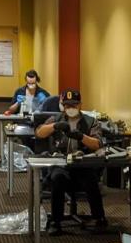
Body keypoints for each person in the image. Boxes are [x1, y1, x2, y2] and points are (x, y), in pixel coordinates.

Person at [34, 89, 107, 233]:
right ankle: (56, 221)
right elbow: (39, 132)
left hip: (82, 163)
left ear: (80, 105)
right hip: (61, 163)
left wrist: (81, 137)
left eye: (74, 105)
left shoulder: (90, 121)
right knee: (57, 178)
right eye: (67, 106)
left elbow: (97, 144)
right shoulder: (57, 119)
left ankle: (99, 218)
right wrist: (54, 126)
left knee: (91, 179)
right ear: (62, 106)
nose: (70, 108)